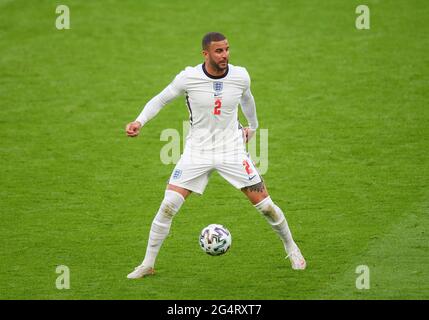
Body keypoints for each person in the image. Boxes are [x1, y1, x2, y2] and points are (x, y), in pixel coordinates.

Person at [125, 32, 306, 279]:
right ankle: (147, 263)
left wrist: (252, 126)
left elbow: (248, 100)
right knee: (167, 206)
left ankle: (292, 248)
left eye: (227, 49)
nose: (225, 55)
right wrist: (139, 121)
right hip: (196, 152)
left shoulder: (240, 75)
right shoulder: (189, 77)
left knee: (266, 207)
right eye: (219, 51)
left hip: (231, 151)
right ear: (205, 54)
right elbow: (162, 99)